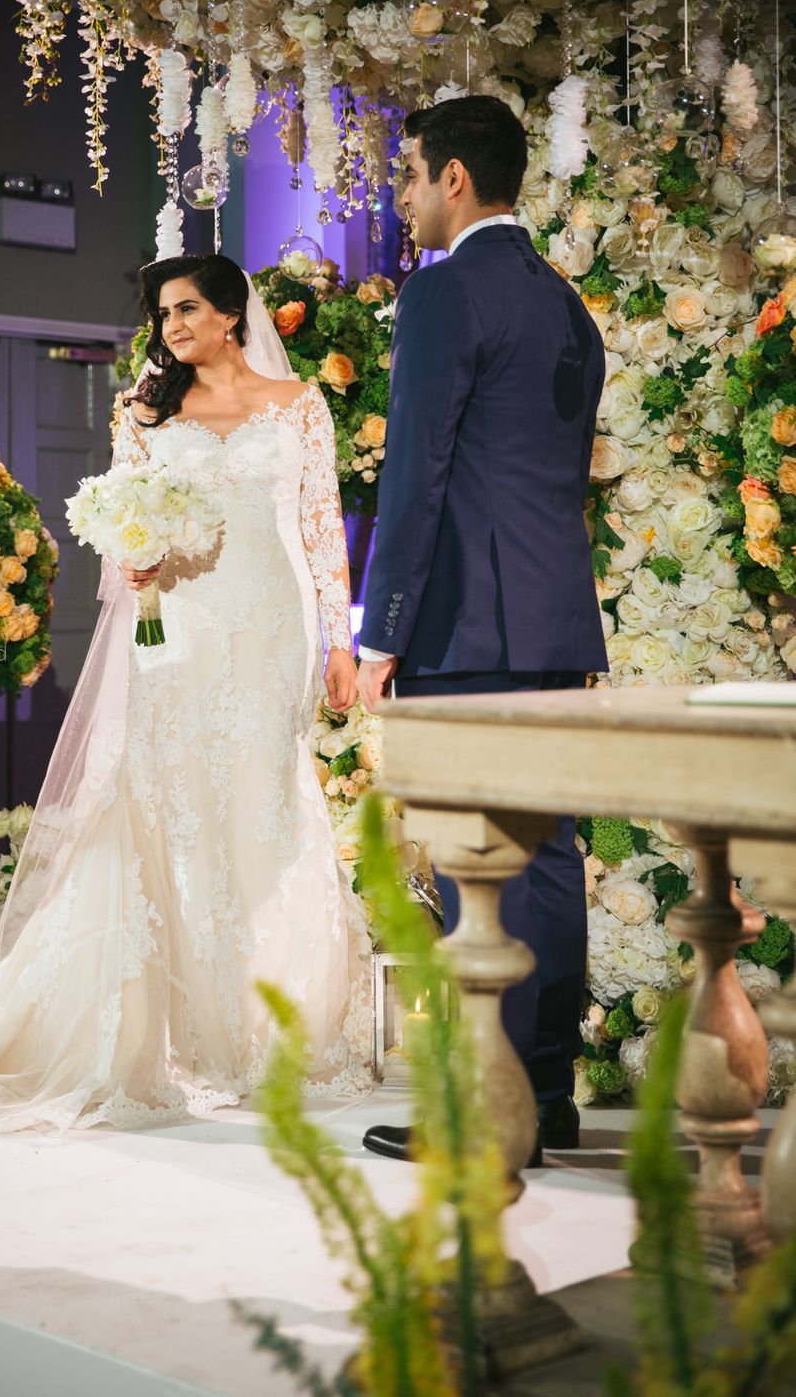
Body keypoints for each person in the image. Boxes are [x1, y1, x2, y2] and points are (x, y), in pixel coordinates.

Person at [0, 253, 372, 1137]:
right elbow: (119, 520)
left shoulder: (299, 409)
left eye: (187, 309)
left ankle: (266, 1025)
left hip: (268, 628)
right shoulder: (144, 412)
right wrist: (130, 554)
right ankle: (172, 1026)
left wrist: (340, 641)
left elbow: (321, 528)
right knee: (168, 805)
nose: (173, 326)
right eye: (161, 313)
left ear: (230, 313)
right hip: (174, 628)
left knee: (265, 807)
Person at [357, 96, 607, 1165]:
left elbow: (414, 476)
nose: (402, 196)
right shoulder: (563, 302)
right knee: (544, 860)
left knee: (477, 868)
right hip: (553, 621)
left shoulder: (444, 292)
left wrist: (383, 632)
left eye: (409, 174)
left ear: (454, 178)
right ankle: (543, 1093)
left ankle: (483, 1116)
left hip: (466, 627)